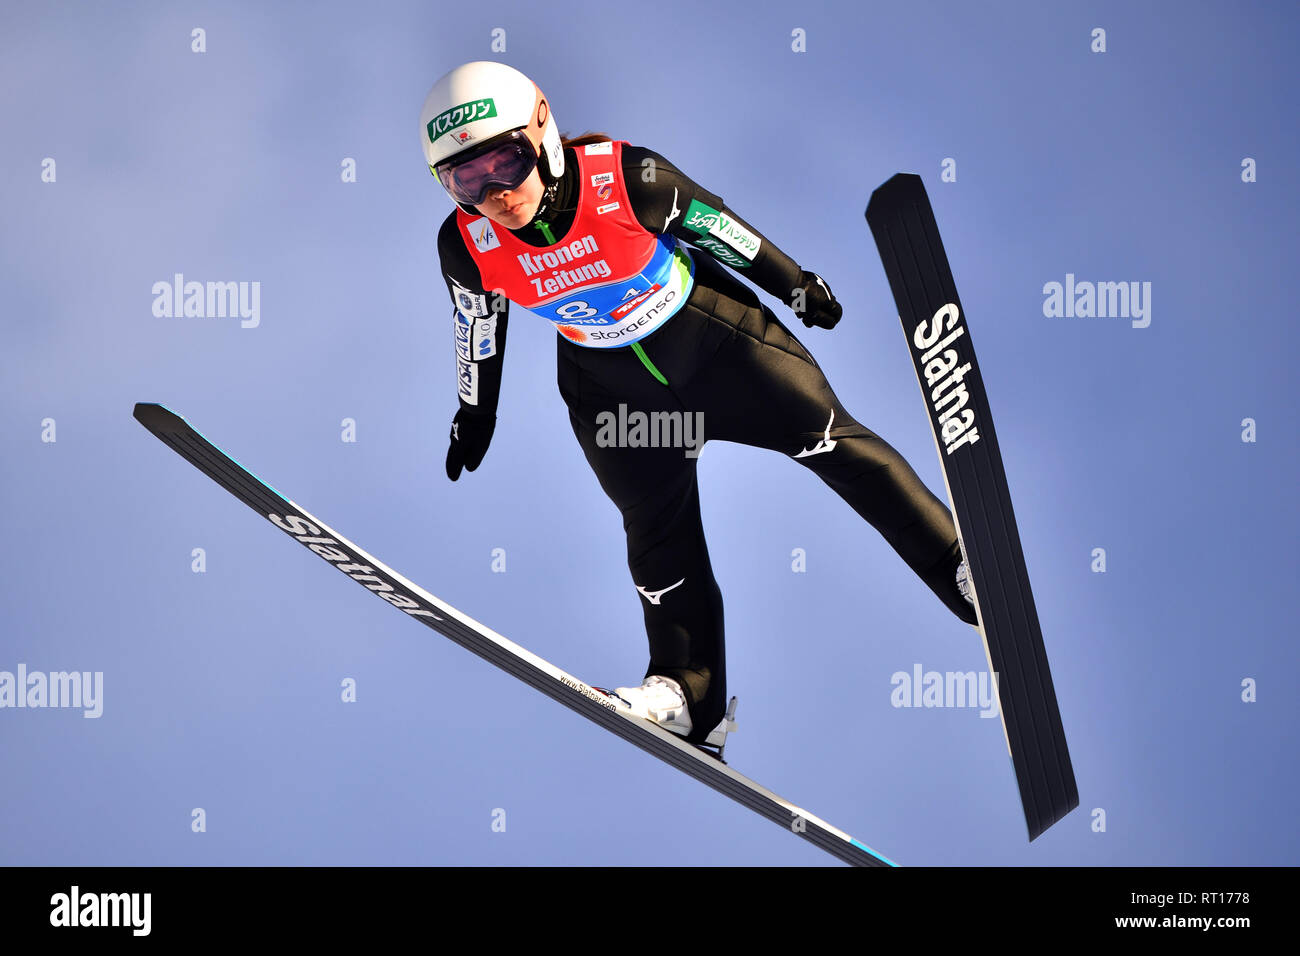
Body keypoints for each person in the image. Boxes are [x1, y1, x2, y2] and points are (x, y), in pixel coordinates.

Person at [420, 61, 978, 751]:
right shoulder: (465, 244)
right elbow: (477, 330)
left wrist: (797, 285)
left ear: (542, 125)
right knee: (655, 530)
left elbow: (722, 230)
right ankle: (689, 696)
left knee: (834, 444)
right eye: (465, 180)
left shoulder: (627, 178)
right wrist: (476, 414)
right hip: (610, 389)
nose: (496, 192)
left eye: (504, 160)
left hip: (719, 348)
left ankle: (962, 567)